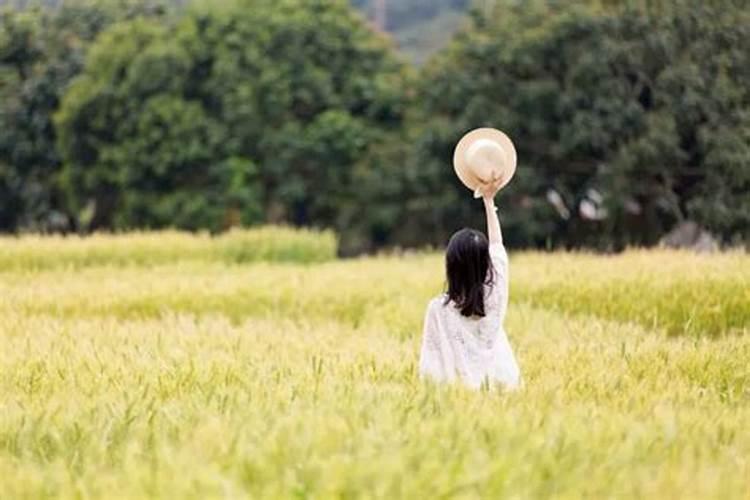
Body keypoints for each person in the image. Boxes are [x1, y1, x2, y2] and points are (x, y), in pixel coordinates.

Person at [418, 173, 521, 390]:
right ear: (486, 264)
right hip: (504, 385)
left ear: (451, 266)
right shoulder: (496, 294)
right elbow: (497, 245)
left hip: (462, 393)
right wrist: (489, 200)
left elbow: (431, 365)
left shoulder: (438, 309)